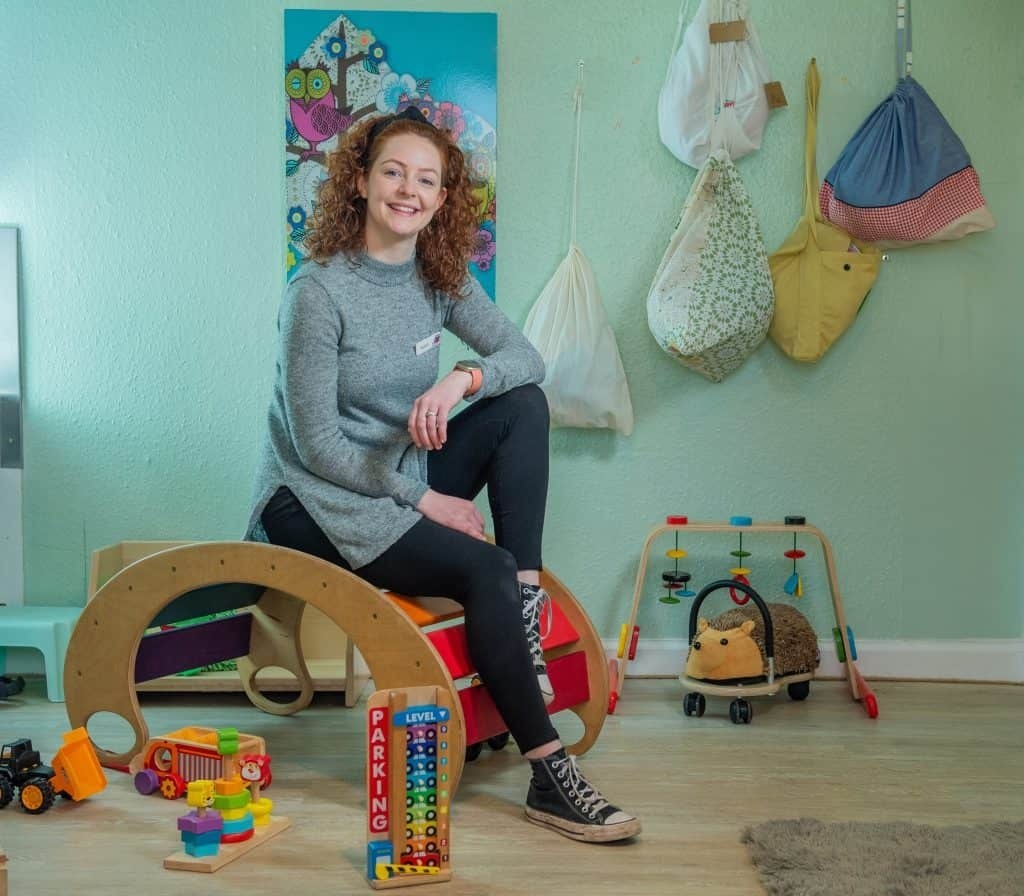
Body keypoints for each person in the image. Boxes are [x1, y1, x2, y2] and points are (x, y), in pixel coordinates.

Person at [246, 106, 640, 843]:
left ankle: (522, 603)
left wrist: (460, 378)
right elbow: (316, 445)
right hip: (313, 498)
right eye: (393, 172)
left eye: (426, 180)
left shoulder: (440, 276)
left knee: (520, 403)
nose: (409, 190)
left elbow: (527, 360)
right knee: (479, 567)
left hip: (398, 470)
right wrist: (424, 497)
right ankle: (550, 776)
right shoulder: (317, 293)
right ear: (360, 183)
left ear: (441, 198)